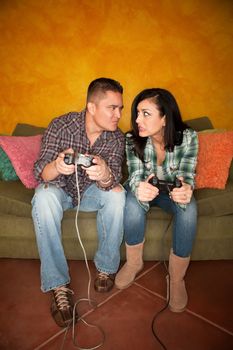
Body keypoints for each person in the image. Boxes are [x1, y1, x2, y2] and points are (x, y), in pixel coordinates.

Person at [32, 77, 126, 327]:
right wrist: (58, 165)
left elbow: (113, 179)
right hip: (60, 191)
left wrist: (105, 173)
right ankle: (58, 286)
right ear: (91, 107)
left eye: (120, 108)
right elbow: (41, 173)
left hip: (91, 193)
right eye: (112, 108)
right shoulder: (61, 125)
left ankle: (106, 267)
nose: (118, 115)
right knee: (42, 197)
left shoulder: (116, 137)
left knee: (118, 194)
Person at [115, 88, 198, 313]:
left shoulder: (188, 137)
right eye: (137, 113)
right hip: (146, 191)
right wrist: (139, 188)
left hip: (171, 194)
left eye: (145, 113)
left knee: (189, 209)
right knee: (131, 204)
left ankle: (177, 278)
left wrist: (186, 189)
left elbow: (188, 175)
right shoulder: (132, 139)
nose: (136, 120)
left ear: (164, 119)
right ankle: (134, 263)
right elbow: (134, 175)